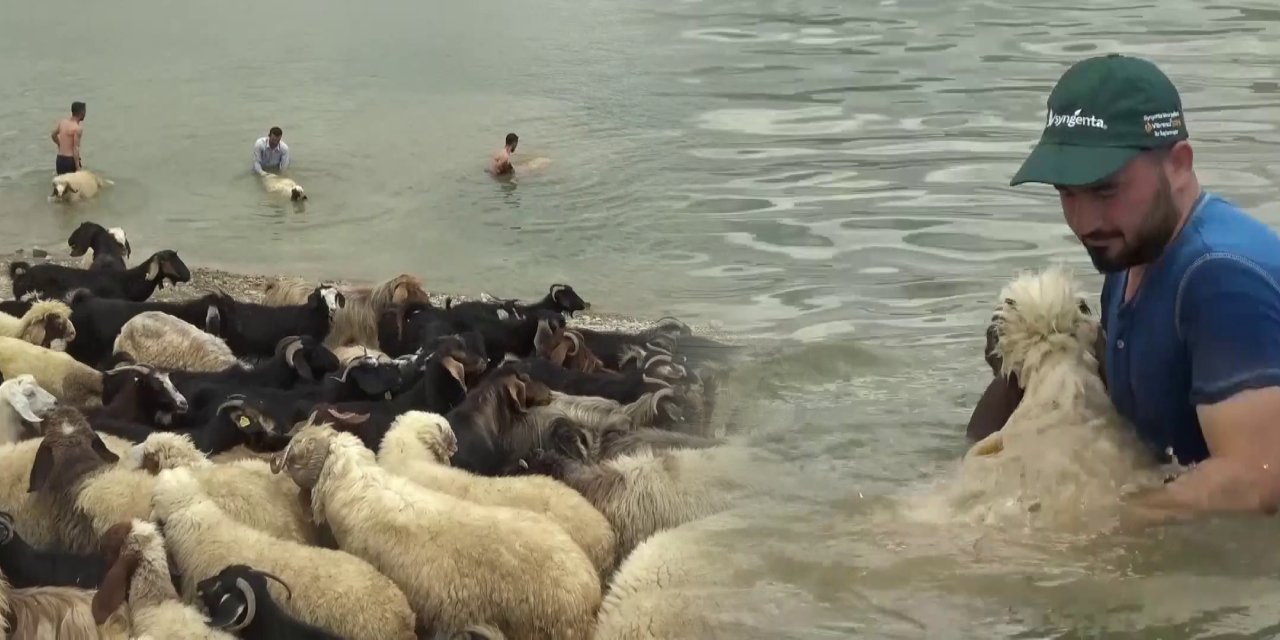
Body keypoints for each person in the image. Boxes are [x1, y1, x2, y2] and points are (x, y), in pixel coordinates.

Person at [1009, 53, 1280, 521]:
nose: (1085, 221)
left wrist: (1087, 526)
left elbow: (1257, 480)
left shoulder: (1219, 278)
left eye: (1106, 191)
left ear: (1178, 164)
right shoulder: (1130, 251)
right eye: (1066, 192)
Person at [50, 101, 86, 175]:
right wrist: (78, 167)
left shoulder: (63, 122)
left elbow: (53, 135)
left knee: (60, 184)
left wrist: (60, 144)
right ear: (81, 112)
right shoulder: (77, 128)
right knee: (74, 185)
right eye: (84, 111)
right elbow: (75, 149)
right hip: (70, 161)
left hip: (60, 159)